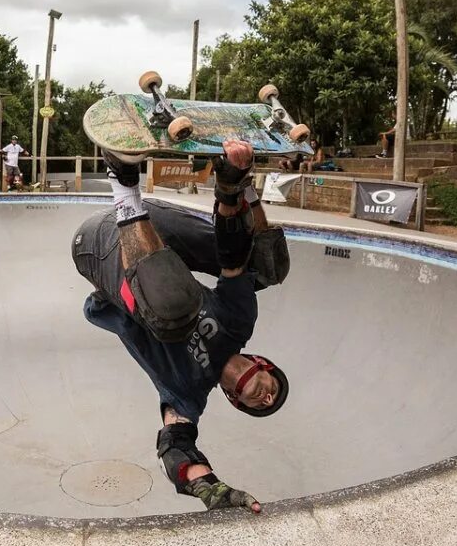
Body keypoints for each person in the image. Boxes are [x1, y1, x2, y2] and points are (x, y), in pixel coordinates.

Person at [71, 141, 292, 513]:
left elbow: (175, 446)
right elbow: (235, 260)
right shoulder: (239, 323)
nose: (267, 399)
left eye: (261, 407)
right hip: (158, 224)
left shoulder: (187, 392)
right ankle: (234, 179)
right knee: (264, 268)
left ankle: (122, 179)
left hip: (98, 248)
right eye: (275, 391)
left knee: (173, 312)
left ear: (233, 400)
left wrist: (209, 488)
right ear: (262, 363)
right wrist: (237, 187)